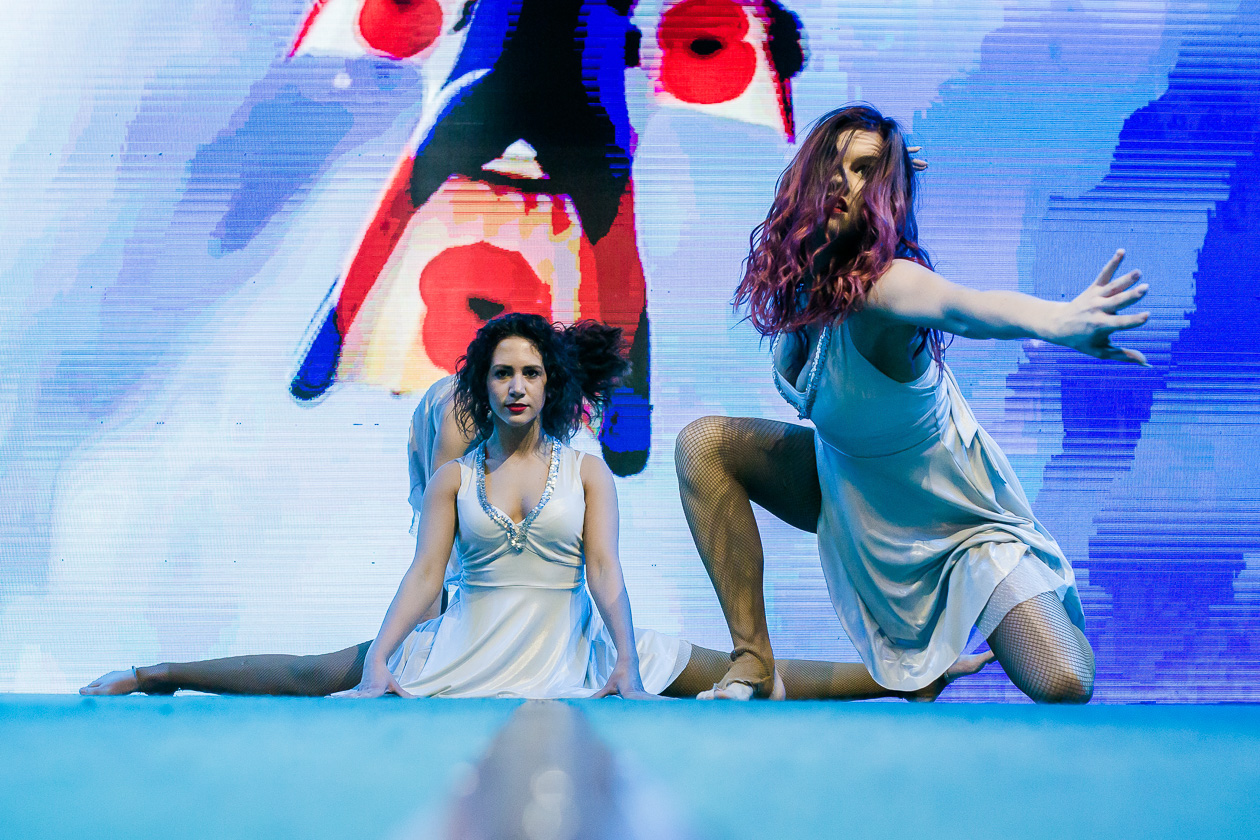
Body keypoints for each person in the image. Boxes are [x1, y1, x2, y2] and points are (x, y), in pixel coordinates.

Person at [82, 313, 987, 699]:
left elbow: (607, 572)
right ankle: (155, 673)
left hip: (578, 644)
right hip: (462, 641)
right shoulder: (452, 471)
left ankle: (918, 676)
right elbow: (421, 576)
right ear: (482, 385)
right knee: (316, 673)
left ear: (550, 384)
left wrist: (625, 661)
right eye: (500, 373)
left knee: (767, 680)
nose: (515, 385)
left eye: (529, 372)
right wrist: (383, 657)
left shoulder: (586, 469)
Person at [675, 104, 1151, 703]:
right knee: (704, 446)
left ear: (884, 197)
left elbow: (961, 308)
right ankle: (752, 661)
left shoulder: (884, 285)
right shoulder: (801, 279)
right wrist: (887, 165)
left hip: (952, 519)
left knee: (1065, 681)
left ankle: (1017, 597)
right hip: (851, 492)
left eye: (864, 172)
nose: (841, 182)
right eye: (833, 165)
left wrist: (1057, 320)